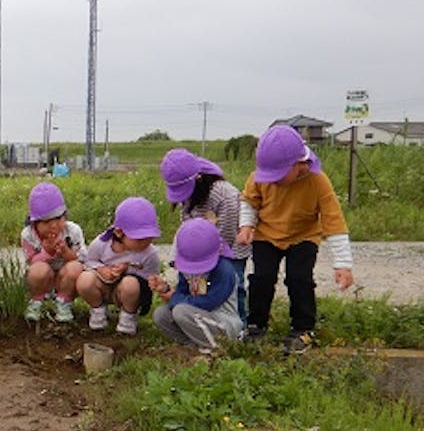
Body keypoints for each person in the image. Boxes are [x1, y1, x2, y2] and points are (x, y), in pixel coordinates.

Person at [236, 125, 354, 354]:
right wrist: (247, 225)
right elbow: (250, 202)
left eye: (277, 175)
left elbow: (334, 223)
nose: (273, 180)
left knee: (300, 280)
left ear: (299, 164)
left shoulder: (318, 182)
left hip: (303, 236)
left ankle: (303, 329)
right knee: (261, 278)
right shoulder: (258, 178)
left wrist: (343, 265)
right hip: (266, 234)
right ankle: (255, 325)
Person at [160, 148, 251, 323]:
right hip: (200, 249)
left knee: (234, 284)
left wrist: (207, 255)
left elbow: (228, 234)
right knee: (199, 287)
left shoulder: (225, 196)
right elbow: (186, 226)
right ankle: (203, 320)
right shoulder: (190, 195)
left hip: (229, 248)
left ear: (198, 179)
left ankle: (240, 324)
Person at [150, 219, 243, 352]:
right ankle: (193, 344)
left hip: (223, 322)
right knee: (161, 315)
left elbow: (209, 302)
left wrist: (174, 298)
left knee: (180, 311)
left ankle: (217, 347)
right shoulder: (186, 270)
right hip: (197, 317)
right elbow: (183, 292)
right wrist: (168, 291)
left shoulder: (224, 271)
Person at [76, 197, 162, 335]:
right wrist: (101, 269)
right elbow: (89, 261)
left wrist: (128, 270)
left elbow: (149, 280)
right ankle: (98, 310)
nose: (146, 242)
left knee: (130, 284)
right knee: (84, 280)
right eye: (139, 239)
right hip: (103, 286)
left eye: (150, 237)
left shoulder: (149, 254)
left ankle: (128, 316)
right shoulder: (101, 244)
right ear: (119, 233)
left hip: (127, 292)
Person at [21, 182, 85, 323]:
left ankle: (64, 302)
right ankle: (36, 301)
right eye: (46, 222)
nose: (54, 226)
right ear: (34, 223)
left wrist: (65, 252)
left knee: (76, 267)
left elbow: (81, 259)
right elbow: (31, 261)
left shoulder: (72, 231)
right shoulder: (28, 235)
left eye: (58, 218)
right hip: (45, 278)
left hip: (65, 277)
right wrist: (47, 252)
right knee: (38, 270)